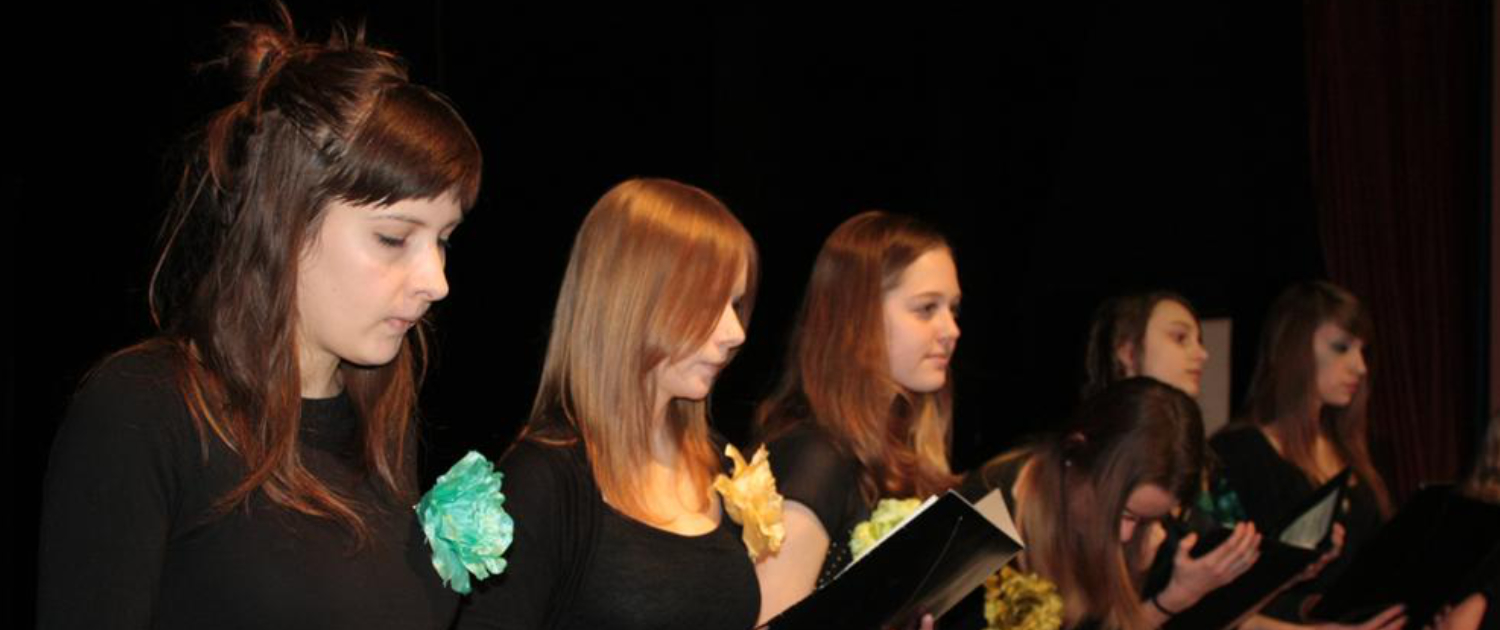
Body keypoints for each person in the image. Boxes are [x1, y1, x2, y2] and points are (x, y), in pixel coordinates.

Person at [37, 9, 482, 630]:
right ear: (284, 219)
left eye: (444, 240)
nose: (436, 281)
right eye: (393, 238)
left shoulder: (380, 428)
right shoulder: (147, 411)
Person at [456, 178, 761, 630]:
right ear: (632, 301)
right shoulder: (542, 481)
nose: (736, 333)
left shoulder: (717, 464)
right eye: (710, 302)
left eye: (735, 304)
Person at [963, 378, 1237, 630]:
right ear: (1075, 455)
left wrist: (1173, 595)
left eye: (1145, 520)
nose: (1126, 534)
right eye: (1124, 513)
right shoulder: (986, 515)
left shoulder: (1140, 534)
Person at [1213, 281, 1403, 629]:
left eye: (1362, 351)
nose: (1360, 367)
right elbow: (1222, 600)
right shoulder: (1237, 455)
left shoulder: (1356, 451)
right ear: (1294, 348)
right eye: (1341, 347)